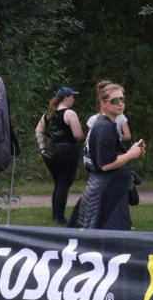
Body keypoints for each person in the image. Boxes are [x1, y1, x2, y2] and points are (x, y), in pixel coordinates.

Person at [70, 82, 145, 230]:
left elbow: (110, 155)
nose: (121, 104)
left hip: (108, 189)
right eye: (116, 101)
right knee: (110, 241)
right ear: (104, 104)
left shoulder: (106, 124)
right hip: (105, 192)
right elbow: (105, 165)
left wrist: (131, 151)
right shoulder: (104, 127)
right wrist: (130, 154)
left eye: (123, 99)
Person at [35, 86, 84, 224]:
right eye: (72, 96)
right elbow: (77, 135)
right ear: (67, 97)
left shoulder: (48, 113)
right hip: (66, 151)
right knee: (64, 184)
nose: (74, 99)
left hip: (51, 151)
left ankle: (55, 215)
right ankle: (60, 218)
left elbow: (38, 130)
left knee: (58, 183)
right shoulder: (70, 114)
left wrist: (42, 148)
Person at [86, 79, 132, 144]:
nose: (121, 104)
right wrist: (132, 153)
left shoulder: (93, 119)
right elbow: (127, 136)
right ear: (103, 103)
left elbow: (90, 141)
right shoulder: (105, 126)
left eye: (122, 99)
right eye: (115, 100)